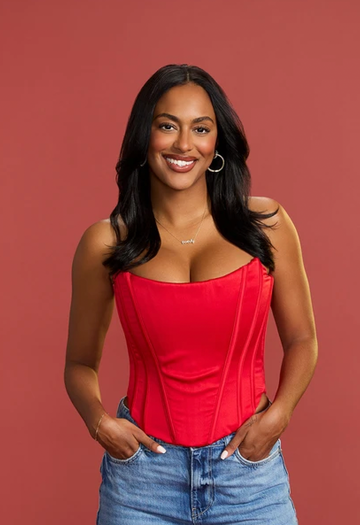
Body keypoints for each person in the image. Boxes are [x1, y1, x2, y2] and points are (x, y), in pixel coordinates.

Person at [64, 64, 318, 525]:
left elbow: (303, 340)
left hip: (248, 475)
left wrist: (277, 417)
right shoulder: (106, 242)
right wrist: (100, 423)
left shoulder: (267, 224)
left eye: (201, 129)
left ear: (216, 143)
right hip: (142, 481)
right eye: (168, 126)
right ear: (145, 136)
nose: (184, 145)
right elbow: (79, 363)